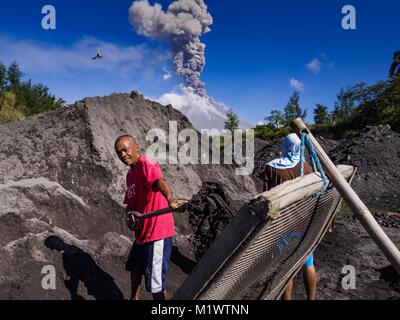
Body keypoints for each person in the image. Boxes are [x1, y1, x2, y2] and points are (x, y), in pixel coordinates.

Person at [115, 135, 180, 300]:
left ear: (136, 147)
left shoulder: (147, 165)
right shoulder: (130, 175)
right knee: (135, 266)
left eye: (125, 149)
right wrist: (129, 217)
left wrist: (169, 198)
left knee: (156, 282)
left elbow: (159, 182)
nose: (123, 155)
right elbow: (130, 203)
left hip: (157, 232)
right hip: (142, 233)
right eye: (119, 152)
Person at [263, 133, 317, 300]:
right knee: (308, 263)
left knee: (285, 267)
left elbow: (266, 197)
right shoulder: (308, 168)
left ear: (285, 146)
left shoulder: (272, 168)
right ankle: (312, 298)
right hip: (304, 223)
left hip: (281, 225)